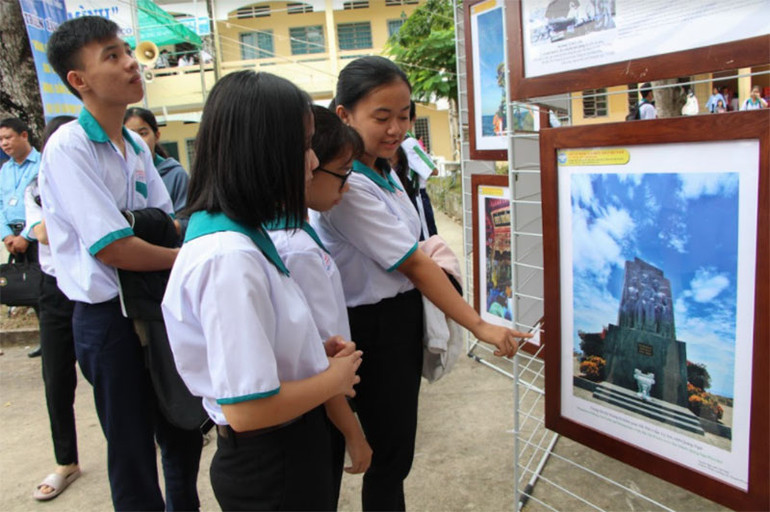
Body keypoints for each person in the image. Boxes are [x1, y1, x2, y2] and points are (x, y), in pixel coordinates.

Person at [313, 55, 532, 511]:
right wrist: (479, 325)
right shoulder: (349, 185)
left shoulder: (383, 167)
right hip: (373, 329)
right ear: (344, 115)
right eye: (381, 117)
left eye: (404, 114)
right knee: (388, 461)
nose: (396, 128)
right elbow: (413, 260)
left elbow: (416, 243)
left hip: (399, 321)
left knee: (396, 455)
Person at [161, 70, 364, 511]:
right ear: (263, 152)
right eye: (304, 146)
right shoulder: (228, 258)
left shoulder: (242, 237)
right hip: (273, 461)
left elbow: (259, 350)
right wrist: (333, 378)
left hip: (286, 448)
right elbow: (248, 410)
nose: (313, 162)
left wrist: (310, 353)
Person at [41, 16, 202, 510]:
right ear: (79, 81)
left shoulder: (133, 146)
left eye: (127, 50)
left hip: (152, 303)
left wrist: (161, 240)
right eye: (111, 55)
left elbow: (168, 221)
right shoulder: (69, 147)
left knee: (182, 428)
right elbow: (113, 247)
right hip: (107, 318)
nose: (132, 62)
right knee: (131, 448)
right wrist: (183, 259)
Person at [267, 104, 372, 507]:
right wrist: (354, 434)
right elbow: (321, 361)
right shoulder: (297, 250)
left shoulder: (296, 233)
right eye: (342, 175)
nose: (346, 188)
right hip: (315, 412)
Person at [25, 116, 82, 501]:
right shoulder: (37, 186)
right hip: (55, 289)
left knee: (113, 377)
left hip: (95, 286)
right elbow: (41, 232)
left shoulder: (89, 179)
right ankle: (66, 461)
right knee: (57, 378)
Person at [0, 117, 42, 357]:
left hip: (36, 237)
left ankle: (52, 339)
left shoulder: (41, 165)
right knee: (27, 289)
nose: (4, 144)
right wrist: (6, 235)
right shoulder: (5, 170)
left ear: (24, 135)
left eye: (8, 137)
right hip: (13, 237)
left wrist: (27, 236)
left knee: (43, 289)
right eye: (1, 140)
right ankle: (43, 337)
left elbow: (44, 205)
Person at [124, 107, 190, 234]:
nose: (138, 140)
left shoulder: (175, 174)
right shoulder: (120, 174)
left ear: (157, 135)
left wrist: (158, 228)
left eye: (143, 133)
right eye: (131, 135)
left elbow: (188, 221)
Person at [400, 100, 439, 240]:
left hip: (403, 197)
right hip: (417, 196)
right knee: (429, 240)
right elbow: (433, 170)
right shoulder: (410, 142)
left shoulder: (395, 144)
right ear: (414, 118)